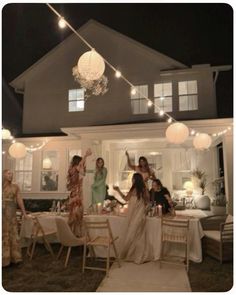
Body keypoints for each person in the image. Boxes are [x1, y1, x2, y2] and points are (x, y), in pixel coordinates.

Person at [113, 173, 151, 264]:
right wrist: (118, 190)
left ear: (135, 180)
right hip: (134, 214)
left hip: (139, 214)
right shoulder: (137, 189)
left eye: (133, 179)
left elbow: (147, 201)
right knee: (135, 234)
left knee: (136, 234)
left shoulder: (142, 189)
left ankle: (137, 256)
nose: (132, 180)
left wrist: (146, 209)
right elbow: (126, 199)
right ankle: (132, 254)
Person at [2, 169, 27, 267]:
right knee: (4, 234)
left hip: (12, 213)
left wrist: (24, 213)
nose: (11, 176)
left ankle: (15, 257)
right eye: (8, 174)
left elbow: (20, 200)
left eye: (12, 174)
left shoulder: (15, 187)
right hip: (2, 213)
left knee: (13, 233)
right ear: (4, 175)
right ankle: (4, 258)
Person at [67, 148, 92, 235]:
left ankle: (75, 236)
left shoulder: (74, 170)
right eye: (80, 163)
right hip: (76, 195)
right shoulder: (74, 169)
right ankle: (73, 236)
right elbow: (81, 166)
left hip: (77, 194)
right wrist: (86, 155)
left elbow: (83, 171)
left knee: (77, 216)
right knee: (75, 216)